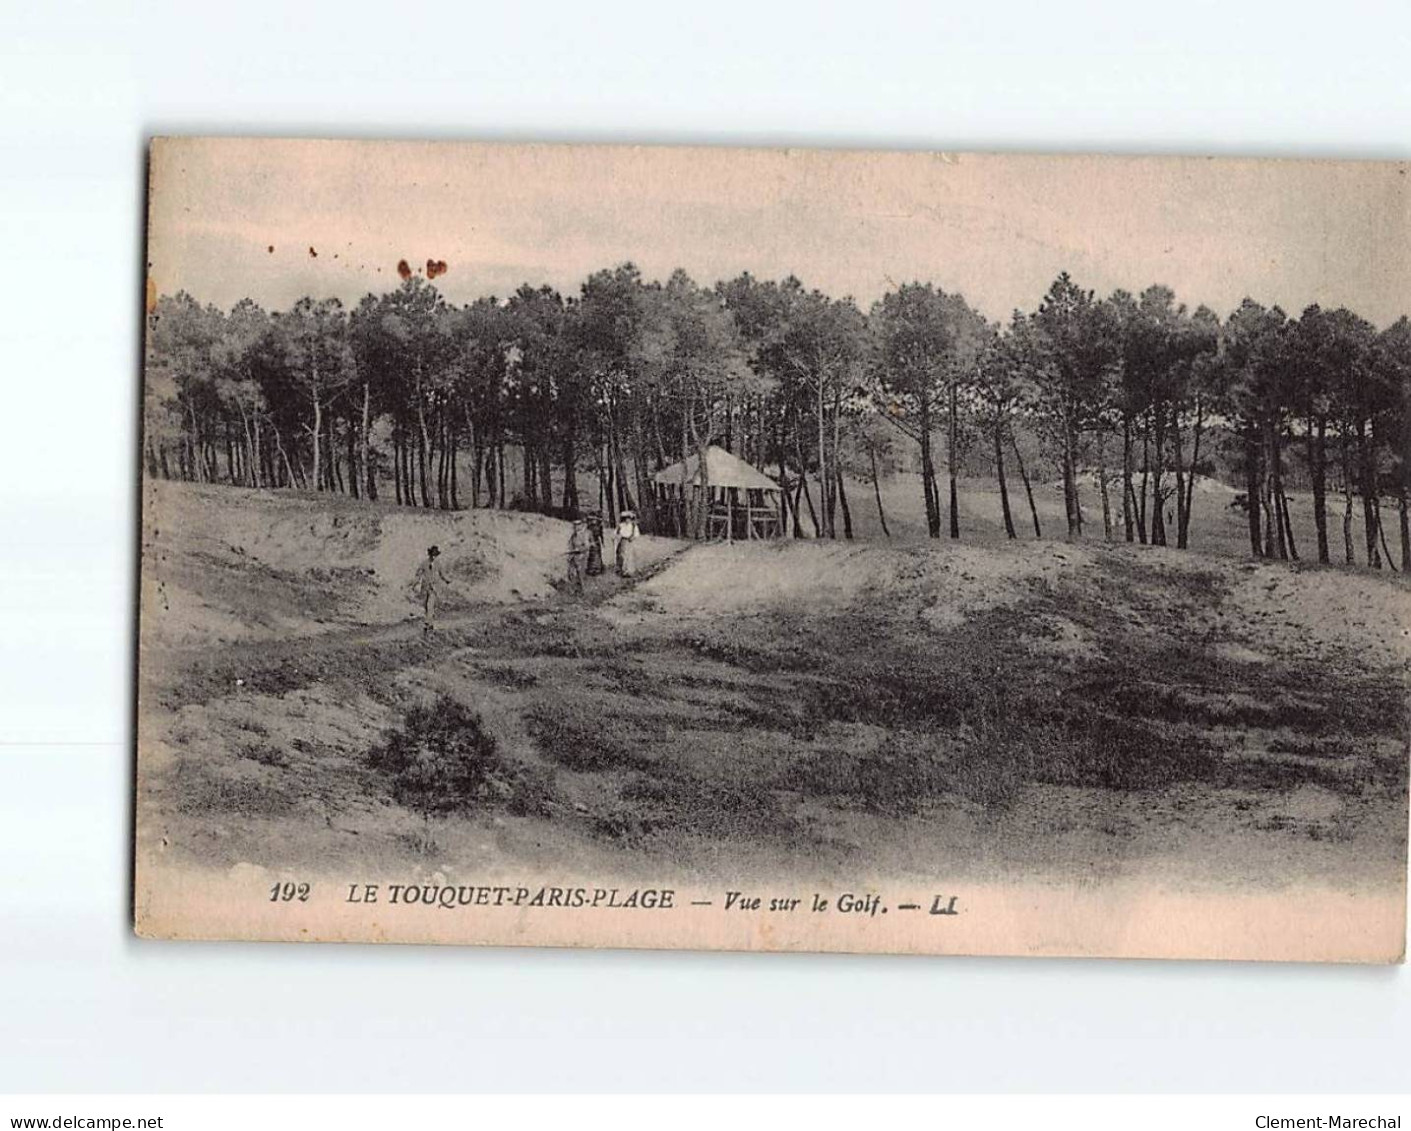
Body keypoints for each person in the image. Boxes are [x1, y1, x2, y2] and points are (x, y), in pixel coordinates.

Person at [413, 545, 450, 635]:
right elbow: (418, 574)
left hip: (434, 587)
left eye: (435, 555)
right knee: (426, 605)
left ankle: (427, 623)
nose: (434, 556)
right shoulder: (424, 563)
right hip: (425, 587)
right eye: (432, 554)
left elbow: (442, 574)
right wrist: (415, 583)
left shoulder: (438, 564)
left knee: (430, 605)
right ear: (429, 554)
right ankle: (430, 623)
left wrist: (447, 580)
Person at [615, 509, 641, 577]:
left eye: (628, 518)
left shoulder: (633, 526)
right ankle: (622, 570)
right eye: (626, 518)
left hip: (630, 542)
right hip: (623, 541)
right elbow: (616, 533)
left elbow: (637, 534)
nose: (627, 520)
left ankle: (630, 571)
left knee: (630, 556)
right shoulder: (621, 526)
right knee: (622, 555)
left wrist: (633, 538)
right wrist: (618, 538)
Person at [566, 517, 588, 594]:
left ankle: (582, 591)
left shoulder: (583, 535)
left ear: (580, 526)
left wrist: (580, 550)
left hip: (581, 556)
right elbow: (570, 545)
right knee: (571, 573)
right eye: (574, 526)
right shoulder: (573, 536)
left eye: (577, 525)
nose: (575, 527)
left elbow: (586, 546)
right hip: (573, 556)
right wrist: (569, 553)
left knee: (580, 574)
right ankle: (573, 590)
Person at [585, 510, 605, 576]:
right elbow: (587, 534)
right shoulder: (589, 527)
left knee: (598, 554)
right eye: (592, 519)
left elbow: (601, 535)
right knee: (592, 555)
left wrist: (602, 542)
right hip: (591, 541)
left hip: (597, 541)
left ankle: (598, 568)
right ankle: (591, 569)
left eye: (594, 519)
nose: (593, 521)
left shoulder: (599, 526)